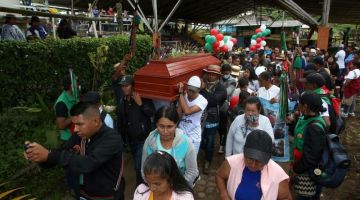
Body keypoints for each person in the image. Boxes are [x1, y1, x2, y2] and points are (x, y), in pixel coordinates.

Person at [25, 102, 124, 199]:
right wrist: (38, 156)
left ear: (96, 121)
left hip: (107, 197)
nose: (76, 129)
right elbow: (59, 153)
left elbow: (89, 163)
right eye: (75, 124)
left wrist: (50, 155)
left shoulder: (112, 139)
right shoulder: (79, 136)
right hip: (82, 194)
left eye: (80, 124)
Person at [112, 60, 155, 187]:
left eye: (127, 85)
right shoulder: (121, 98)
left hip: (143, 137)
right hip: (130, 138)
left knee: (138, 165)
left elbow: (151, 112)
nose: (124, 88)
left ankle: (139, 188)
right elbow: (115, 77)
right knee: (139, 162)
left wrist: (141, 104)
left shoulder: (143, 97)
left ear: (133, 86)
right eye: (122, 86)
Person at [216, 130, 292, 200]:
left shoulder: (278, 175)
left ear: (268, 159)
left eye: (259, 161)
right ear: (244, 152)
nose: (253, 165)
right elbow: (219, 175)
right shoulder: (232, 163)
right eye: (250, 159)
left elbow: (286, 198)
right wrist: (224, 194)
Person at [142, 106, 199, 186]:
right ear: (156, 124)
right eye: (161, 126)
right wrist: (153, 185)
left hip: (178, 189)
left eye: (170, 127)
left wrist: (173, 188)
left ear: (176, 125)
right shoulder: (149, 141)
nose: (165, 131)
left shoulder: (186, 143)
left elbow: (192, 172)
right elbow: (144, 169)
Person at [292, 92, 327, 200]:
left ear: (305, 106)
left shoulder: (314, 128)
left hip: (307, 171)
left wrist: (296, 169)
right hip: (302, 165)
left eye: (299, 103)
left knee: (305, 196)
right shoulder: (307, 118)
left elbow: (311, 157)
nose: (298, 105)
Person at [200, 65, 227, 174]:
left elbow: (213, 101)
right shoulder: (203, 83)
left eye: (214, 74)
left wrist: (202, 90)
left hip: (212, 117)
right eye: (209, 73)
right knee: (201, 138)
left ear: (218, 76)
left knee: (210, 140)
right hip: (200, 117)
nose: (211, 76)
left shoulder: (221, 89)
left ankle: (207, 161)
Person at [177, 76, 208, 155]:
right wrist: (181, 97)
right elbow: (178, 116)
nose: (190, 92)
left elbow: (187, 111)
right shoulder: (183, 96)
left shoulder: (203, 101)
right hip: (180, 135)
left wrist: (180, 94)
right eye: (189, 90)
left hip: (194, 138)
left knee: (191, 164)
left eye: (193, 91)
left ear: (199, 90)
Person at [218, 64, 237, 154]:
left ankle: (222, 144)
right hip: (217, 106)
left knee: (224, 126)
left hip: (226, 107)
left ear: (230, 72)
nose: (225, 74)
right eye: (224, 72)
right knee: (219, 126)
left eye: (227, 72)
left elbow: (227, 92)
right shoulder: (219, 79)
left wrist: (218, 92)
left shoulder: (233, 81)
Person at [55, 73, 78, 142]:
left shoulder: (74, 96)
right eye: (76, 83)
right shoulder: (61, 103)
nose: (78, 85)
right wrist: (75, 116)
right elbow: (61, 125)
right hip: (68, 139)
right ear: (72, 86)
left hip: (76, 134)